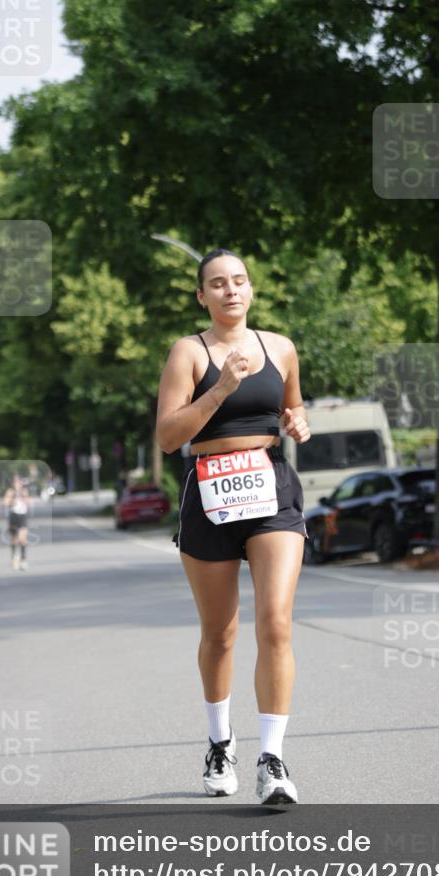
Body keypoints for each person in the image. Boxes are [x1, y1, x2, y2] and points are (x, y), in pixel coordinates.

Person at [156, 249, 311, 805]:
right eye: (217, 284)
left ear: (251, 289)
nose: (231, 291)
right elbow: (169, 437)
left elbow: (293, 409)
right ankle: (221, 744)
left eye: (239, 281)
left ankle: (273, 760)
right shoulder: (188, 353)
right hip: (210, 493)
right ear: (202, 296)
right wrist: (220, 388)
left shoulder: (281, 347)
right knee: (220, 635)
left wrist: (298, 420)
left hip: (269, 488)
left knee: (276, 623)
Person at [4, 476, 31, 570]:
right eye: (16, 483)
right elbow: (6, 504)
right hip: (13, 516)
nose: (18, 485)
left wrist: (23, 497)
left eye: (19, 482)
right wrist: (13, 498)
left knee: (22, 539)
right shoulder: (10, 492)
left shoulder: (25, 491)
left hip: (22, 516)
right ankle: (14, 557)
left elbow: (28, 504)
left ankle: (23, 559)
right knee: (14, 539)